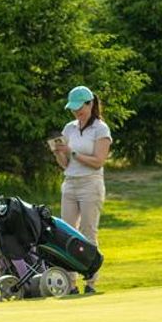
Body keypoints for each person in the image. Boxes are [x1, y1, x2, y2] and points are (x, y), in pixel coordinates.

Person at [50, 85, 111, 293]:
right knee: (66, 233)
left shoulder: (101, 129)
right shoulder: (69, 128)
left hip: (90, 184)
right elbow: (65, 164)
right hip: (70, 183)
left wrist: (72, 152)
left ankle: (91, 282)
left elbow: (98, 161)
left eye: (80, 107)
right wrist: (58, 153)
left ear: (90, 104)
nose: (77, 112)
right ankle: (71, 283)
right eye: (73, 108)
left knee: (88, 232)